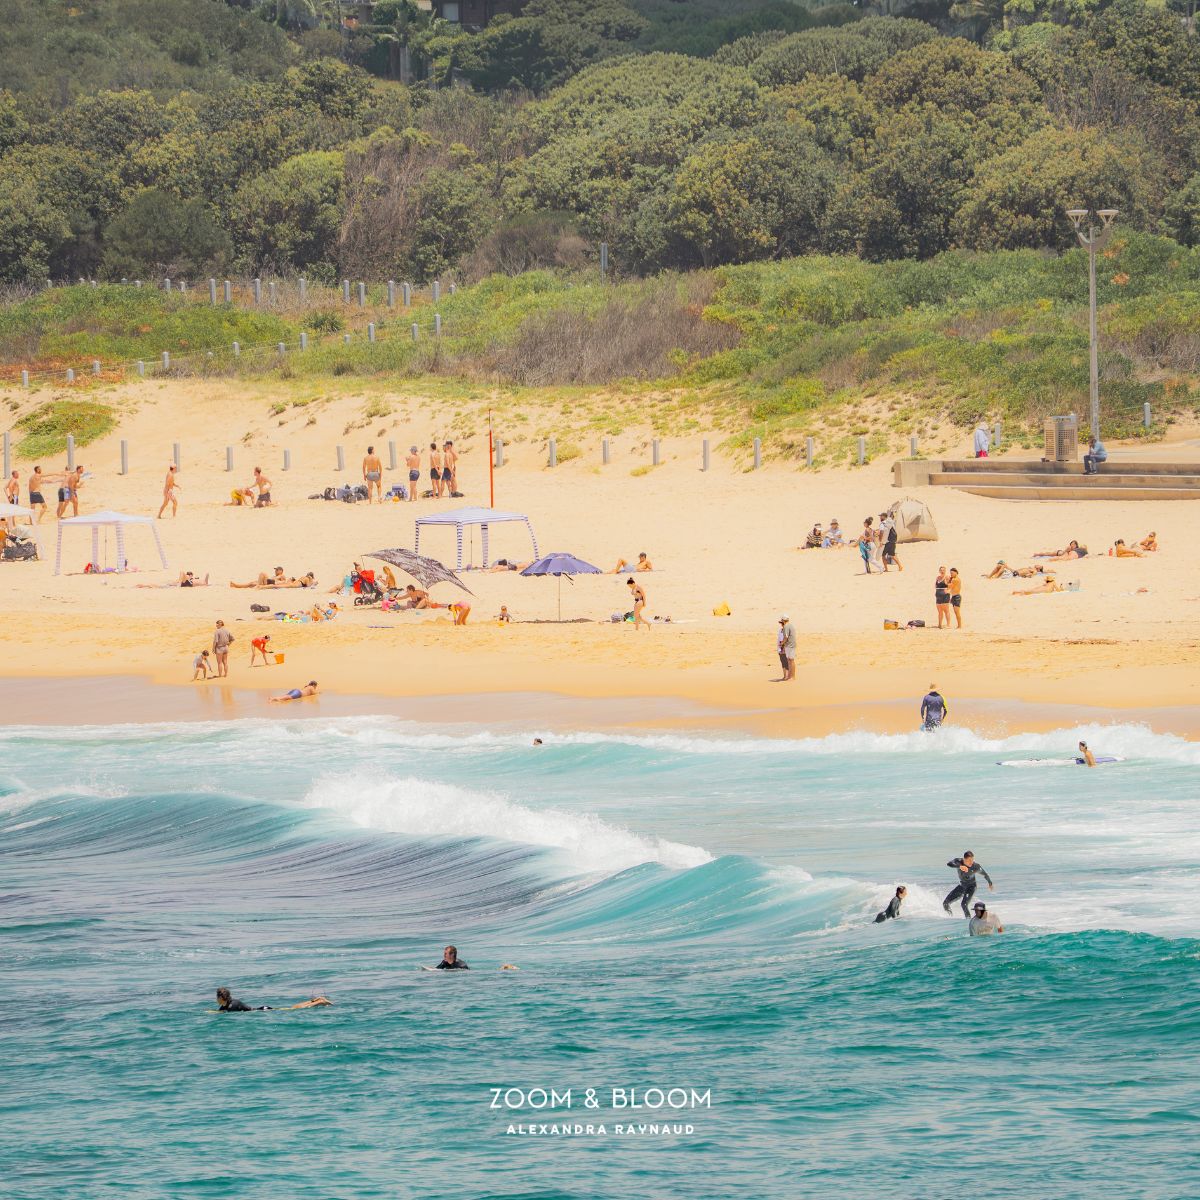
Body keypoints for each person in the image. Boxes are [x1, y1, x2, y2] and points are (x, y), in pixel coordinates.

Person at [943, 851, 994, 918]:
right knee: (945, 904)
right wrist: (960, 866)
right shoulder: (958, 861)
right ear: (964, 859)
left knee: (964, 904)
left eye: (972, 860)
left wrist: (990, 883)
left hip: (971, 887)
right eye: (969, 860)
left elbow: (985, 875)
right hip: (962, 886)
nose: (971, 862)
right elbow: (949, 864)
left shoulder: (976, 866)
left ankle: (968, 920)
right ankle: (950, 917)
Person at [214, 987, 332, 1012]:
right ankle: (316, 1000)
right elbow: (220, 1011)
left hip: (263, 1011)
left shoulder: (231, 1006)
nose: (216, 999)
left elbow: (224, 1012)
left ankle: (319, 1002)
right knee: (291, 1008)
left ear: (221, 997)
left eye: (217, 997)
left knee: (292, 1009)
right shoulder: (228, 1004)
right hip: (262, 1009)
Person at [776, 614, 796, 682]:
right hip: (791, 645)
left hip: (789, 646)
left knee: (791, 661)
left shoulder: (786, 626)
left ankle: (792, 677)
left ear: (783, 621)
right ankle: (790, 676)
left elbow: (786, 637)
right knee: (790, 661)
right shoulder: (790, 625)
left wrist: (782, 644)